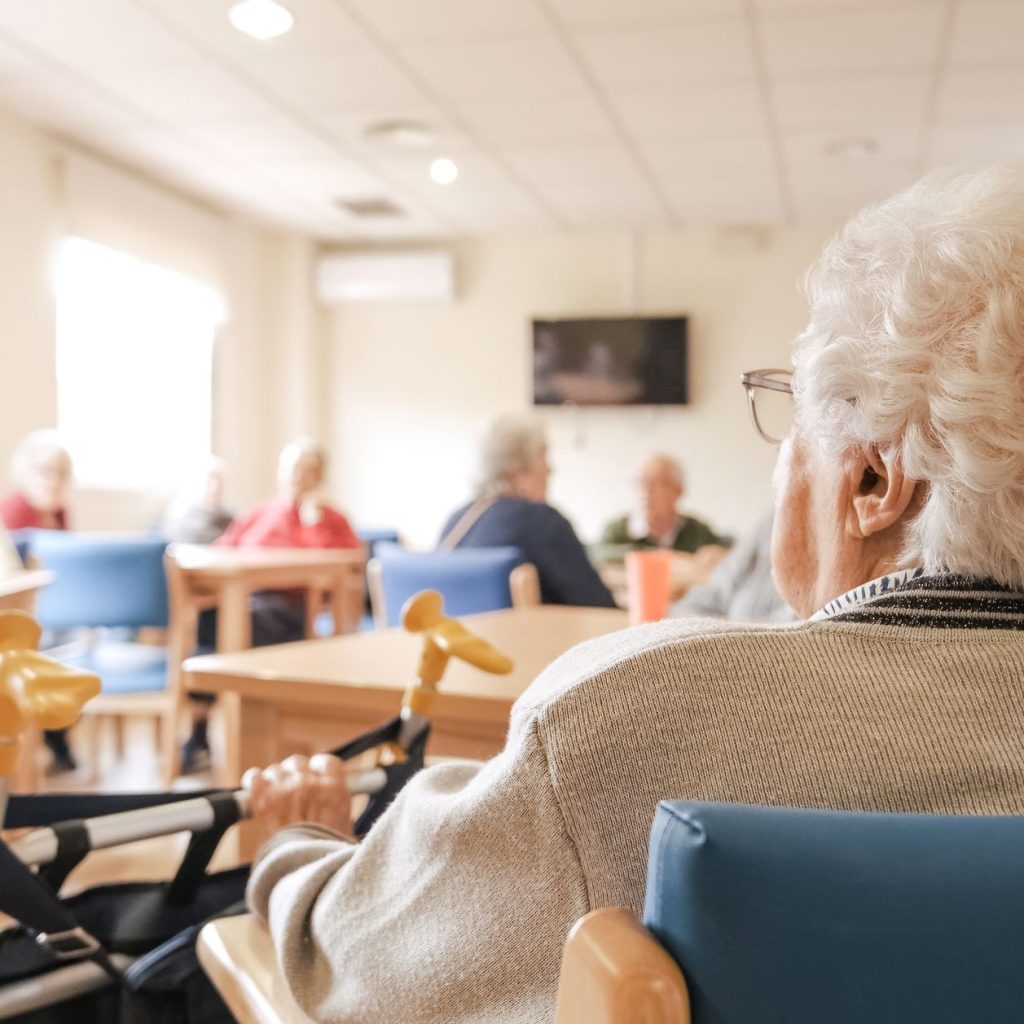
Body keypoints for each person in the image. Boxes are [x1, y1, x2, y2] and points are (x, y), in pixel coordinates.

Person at [245, 165, 1024, 1023]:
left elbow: (356, 967)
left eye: (787, 409)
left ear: (874, 479)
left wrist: (295, 842)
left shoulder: (633, 719)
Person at [182, 439, 361, 772]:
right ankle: (201, 731)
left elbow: (345, 567)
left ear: (319, 477)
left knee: (217, 632)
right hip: (244, 599)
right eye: (290, 469)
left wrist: (313, 523)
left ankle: (200, 733)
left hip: (292, 611)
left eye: (306, 471)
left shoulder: (331, 520)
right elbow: (225, 547)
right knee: (210, 622)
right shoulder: (261, 512)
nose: (296, 477)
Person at [438, 416, 615, 608]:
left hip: (457, 637)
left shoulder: (458, 520)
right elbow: (599, 606)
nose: (550, 470)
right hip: (527, 637)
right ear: (517, 470)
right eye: (543, 458)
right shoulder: (542, 522)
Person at [0, 431, 78, 771]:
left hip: (59, 612)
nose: (53, 481)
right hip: (24, 615)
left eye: (60, 473)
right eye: (44, 472)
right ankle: (54, 736)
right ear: (25, 475)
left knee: (77, 641)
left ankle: (57, 734)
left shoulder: (60, 515)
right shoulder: (12, 515)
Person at [597, 453, 730, 561]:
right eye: (641, 482)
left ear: (678, 491)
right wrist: (668, 558)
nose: (646, 491)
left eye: (657, 483)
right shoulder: (616, 531)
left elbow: (725, 557)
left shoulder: (698, 532)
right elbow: (597, 556)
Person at [672, 509, 796, 623]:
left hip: (748, 637)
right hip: (719, 625)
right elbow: (718, 588)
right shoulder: (771, 523)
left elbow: (794, 624)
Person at [0, 430, 73, 531]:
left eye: (62, 472)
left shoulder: (59, 512)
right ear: (24, 473)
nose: (54, 481)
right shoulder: (12, 510)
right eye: (45, 472)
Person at [161, 456, 235, 545]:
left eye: (219, 483)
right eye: (209, 482)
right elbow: (176, 538)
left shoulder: (228, 513)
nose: (214, 488)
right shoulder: (183, 511)